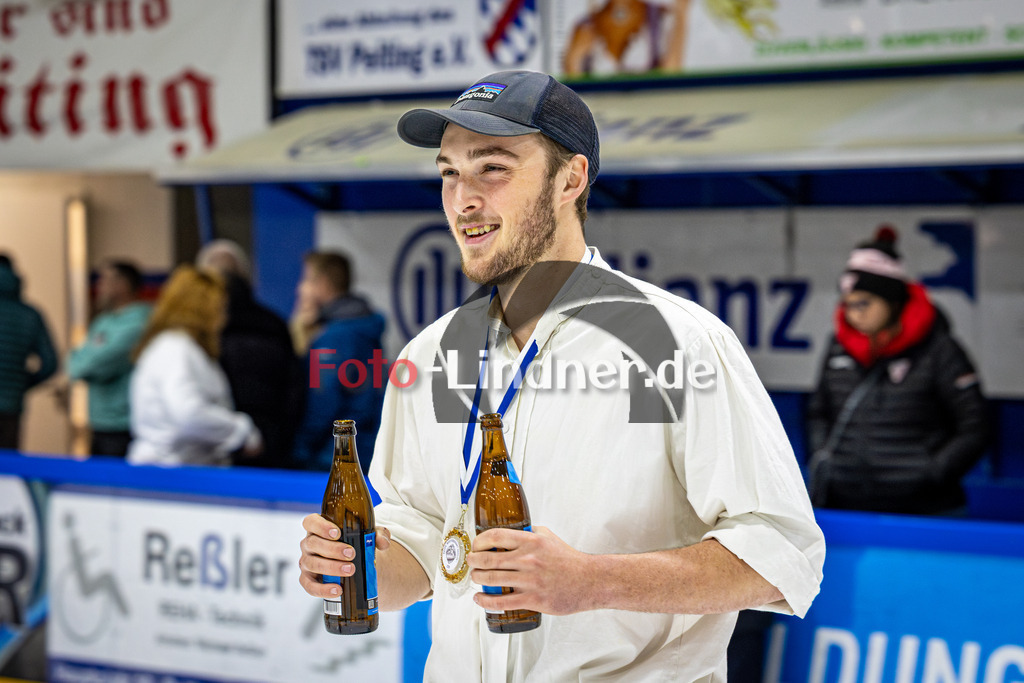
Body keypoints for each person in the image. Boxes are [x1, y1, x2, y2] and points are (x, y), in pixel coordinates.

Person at [298, 70, 824, 681]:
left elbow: (781, 553)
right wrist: (358, 566)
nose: (463, 199)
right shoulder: (434, 352)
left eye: (493, 168)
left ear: (570, 179)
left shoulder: (675, 343)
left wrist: (592, 580)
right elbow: (424, 536)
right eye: (449, 172)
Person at [807, 226, 991, 514]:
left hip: (925, 511)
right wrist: (825, 460)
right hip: (847, 507)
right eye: (848, 304)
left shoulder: (939, 350)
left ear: (892, 302)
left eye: (865, 303)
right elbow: (818, 413)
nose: (854, 313)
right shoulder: (838, 347)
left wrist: (932, 473)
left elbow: (975, 426)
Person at [127, 265, 261, 467]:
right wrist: (241, 430)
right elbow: (188, 414)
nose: (224, 318)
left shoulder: (183, 348)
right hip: (172, 471)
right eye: (220, 309)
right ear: (203, 310)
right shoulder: (175, 349)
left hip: (184, 467)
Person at [196, 240, 302, 468]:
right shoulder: (274, 322)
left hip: (215, 449)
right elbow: (294, 390)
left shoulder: (202, 330)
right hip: (270, 444)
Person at [290, 251, 385, 473]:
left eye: (306, 280)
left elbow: (323, 404)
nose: (300, 288)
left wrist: (299, 450)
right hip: (361, 451)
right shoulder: (362, 326)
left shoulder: (335, 337)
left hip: (329, 458)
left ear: (322, 284)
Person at [67, 260, 151, 457]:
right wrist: (84, 359)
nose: (99, 286)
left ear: (122, 285)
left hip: (125, 424)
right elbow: (74, 363)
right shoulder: (103, 321)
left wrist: (86, 358)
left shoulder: (141, 323)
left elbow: (91, 364)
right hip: (98, 422)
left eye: (104, 280)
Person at [0, 253, 58, 450]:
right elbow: (50, 363)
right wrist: (20, 384)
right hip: (11, 405)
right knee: (7, 465)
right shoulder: (30, 314)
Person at [562, 0, 690, 77]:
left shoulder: (660, 18)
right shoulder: (586, 26)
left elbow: (670, 74)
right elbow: (575, 95)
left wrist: (681, 16)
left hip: (647, 111)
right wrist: (573, 60)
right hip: (599, 111)